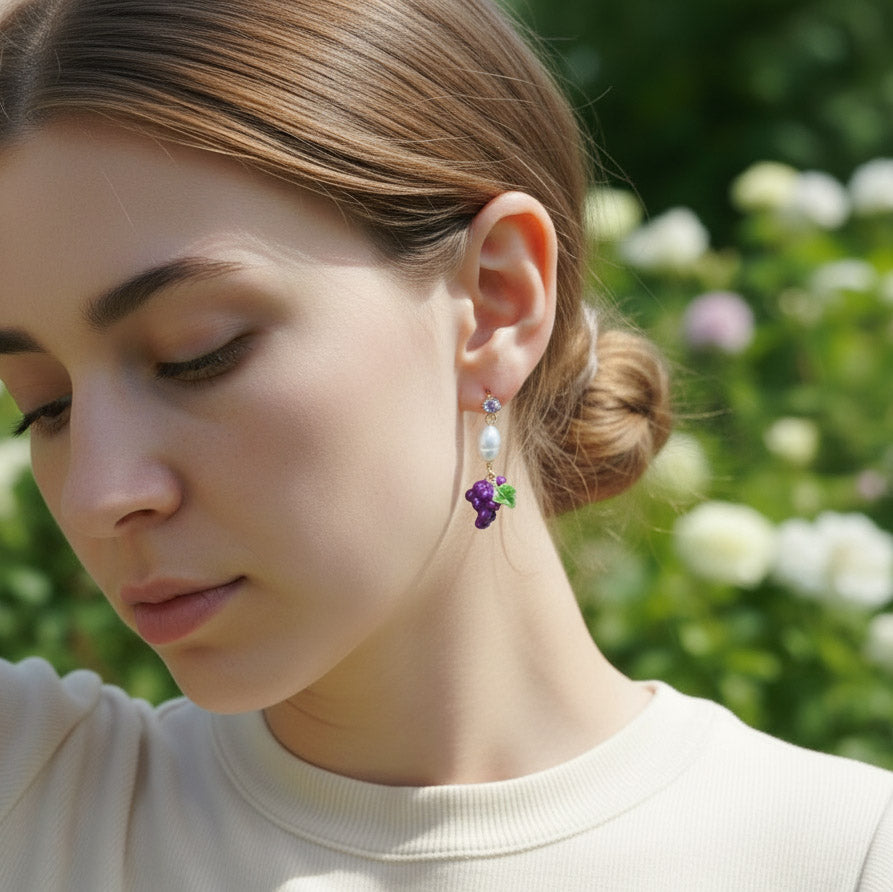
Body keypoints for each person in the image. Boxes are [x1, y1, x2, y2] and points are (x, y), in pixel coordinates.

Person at [0, 0, 890, 888]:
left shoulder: (844, 858)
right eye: (45, 408)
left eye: (199, 354)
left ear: (497, 301)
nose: (97, 494)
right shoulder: (33, 797)